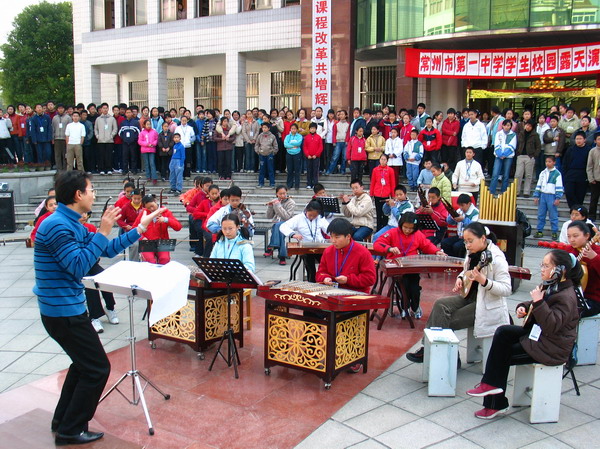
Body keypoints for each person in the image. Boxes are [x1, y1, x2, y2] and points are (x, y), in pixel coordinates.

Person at [33, 171, 163, 445]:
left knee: (83, 366)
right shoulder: (57, 225)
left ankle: (63, 420)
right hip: (62, 311)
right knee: (96, 369)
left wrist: (140, 227)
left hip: (67, 309)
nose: (93, 194)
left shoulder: (72, 223)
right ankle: (71, 430)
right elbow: (80, 266)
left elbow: (107, 249)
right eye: (91, 189)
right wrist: (103, 231)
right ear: (78, 195)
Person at [466, 249, 580, 419]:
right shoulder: (552, 285)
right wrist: (525, 306)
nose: (541, 268)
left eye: (546, 266)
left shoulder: (566, 297)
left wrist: (538, 302)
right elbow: (537, 303)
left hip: (551, 348)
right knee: (503, 332)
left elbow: (552, 325)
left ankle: (495, 401)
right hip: (540, 338)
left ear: (560, 270)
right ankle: (490, 387)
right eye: (542, 264)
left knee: (502, 354)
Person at [406, 222, 511, 364]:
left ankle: (446, 359)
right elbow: (465, 270)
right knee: (440, 304)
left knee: (446, 320)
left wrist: (484, 281)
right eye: (465, 242)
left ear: (483, 239)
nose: (467, 245)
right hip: (469, 296)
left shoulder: (497, 259)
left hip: (486, 303)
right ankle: (432, 350)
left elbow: (506, 289)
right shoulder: (472, 253)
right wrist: (461, 278)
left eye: (470, 241)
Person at [374, 212, 445, 318]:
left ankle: (415, 307)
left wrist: (436, 251)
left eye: (411, 228)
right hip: (397, 268)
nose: (407, 230)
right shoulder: (393, 232)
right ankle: (404, 307)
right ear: (401, 224)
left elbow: (427, 245)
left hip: (412, 267)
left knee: (415, 288)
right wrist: (389, 249)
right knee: (404, 286)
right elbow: (377, 243)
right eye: (405, 227)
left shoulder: (418, 235)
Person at [79, 211, 119, 334]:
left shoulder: (90, 228)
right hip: (80, 264)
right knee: (91, 284)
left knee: (105, 278)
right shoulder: (71, 229)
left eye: (85, 213)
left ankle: (110, 307)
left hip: (92, 262)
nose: (84, 216)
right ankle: (94, 317)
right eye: (81, 213)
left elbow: (99, 246)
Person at [316, 217, 377, 294]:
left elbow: (370, 278)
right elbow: (320, 273)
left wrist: (348, 279)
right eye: (331, 236)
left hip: (356, 294)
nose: (333, 240)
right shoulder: (328, 251)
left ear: (348, 236)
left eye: (337, 237)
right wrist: (325, 278)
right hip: (332, 292)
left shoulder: (362, 252)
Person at [280, 200, 330, 282]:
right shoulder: (299, 218)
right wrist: (293, 234)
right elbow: (283, 226)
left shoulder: (320, 219)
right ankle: (311, 282)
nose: (312, 217)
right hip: (306, 247)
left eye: (315, 216)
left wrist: (333, 236)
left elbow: (328, 229)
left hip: (319, 245)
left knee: (325, 265)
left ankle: (324, 280)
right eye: (310, 215)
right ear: (306, 211)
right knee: (310, 267)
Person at [134, 194, 182, 264]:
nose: (151, 209)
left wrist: (166, 219)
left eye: (152, 206)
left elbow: (178, 227)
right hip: (147, 242)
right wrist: (142, 237)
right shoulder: (143, 213)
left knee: (165, 259)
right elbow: (134, 229)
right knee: (150, 261)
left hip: (162, 241)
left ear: (155, 201)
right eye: (148, 208)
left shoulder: (165, 212)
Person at [565, 221, 600, 317]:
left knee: (566, 313)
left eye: (575, 236)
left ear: (587, 235)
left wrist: (595, 258)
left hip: (592, 299)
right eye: (569, 236)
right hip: (568, 295)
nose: (571, 239)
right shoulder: (568, 250)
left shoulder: (597, 251)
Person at [534, 155, 563, 241]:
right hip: (543, 195)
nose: (547, 163)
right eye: (546, 162)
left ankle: (554, 232)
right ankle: (539, 230)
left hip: (552, 196)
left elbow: (559, 186)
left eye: (550, 162)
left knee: (553, 215)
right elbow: (539, 184)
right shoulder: (543, 173)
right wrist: (536, 195)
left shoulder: (557, 174)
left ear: (554, 162)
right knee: (541, 214)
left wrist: (558, 198)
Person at [265, 185, 296, 265]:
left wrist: (278, 206)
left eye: (284, 193)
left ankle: (271, 247)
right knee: (278, 228)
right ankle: (282, 256)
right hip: (277, 225)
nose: (282, 195)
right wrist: (270, 206)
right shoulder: (275, 201)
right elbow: (269, 216)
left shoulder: (291, 202)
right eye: (280, 194)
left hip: (288, 224)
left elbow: (286, 217)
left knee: (278, 226)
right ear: (276, 194)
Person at [563, 131, 592, 208]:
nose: (578, 140)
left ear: (584, 139)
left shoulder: (588, 150)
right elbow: (565, 163)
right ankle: (574, 209)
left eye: (580, 139)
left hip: (582, 174)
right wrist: (565, 175)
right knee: (569, 192)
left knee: (580, 195)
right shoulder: (570, 149)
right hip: (570, 174)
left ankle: (578, 211)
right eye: (577, 139)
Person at [514, 119, 541, 198]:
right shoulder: (521, 133)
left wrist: (534, 155)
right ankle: (516, 191)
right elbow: (518, 144)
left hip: (530, 156)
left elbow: (538, 147)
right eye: (527, 125)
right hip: (520, 155)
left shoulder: (535, 135)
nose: (528, 127)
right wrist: (517, 153)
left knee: (528, 175)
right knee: (518, 174)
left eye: (529, 125)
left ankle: (526, 191)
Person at [489, 119, 517, 195]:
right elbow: (496, 144)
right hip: (498, 156)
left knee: (506, 174)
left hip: (508, 157)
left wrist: (505, 154)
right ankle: (491, 191)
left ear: (511, 126)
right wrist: (500, 154)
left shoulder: (513, 134)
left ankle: (503, 192)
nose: (507, 127)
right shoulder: (498, 134)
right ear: (503, 126)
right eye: (505, 125)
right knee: (495, 174)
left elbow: (512, 146)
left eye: (509, 125)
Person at [370, 154, 396, 231]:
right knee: (378, 213)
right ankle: (378, 229)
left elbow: (392, 183)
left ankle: (384, 229)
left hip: (386, 194)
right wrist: (371, 193)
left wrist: (393, 195)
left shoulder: (390, 170)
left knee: (385, 213)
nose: (383, 161)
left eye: (384, 159)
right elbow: (373, 182)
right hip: (377, 193)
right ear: (379, 160)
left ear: (387, 161)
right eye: (381, 159)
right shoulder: (375, 170)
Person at [255, 121, 278, 188]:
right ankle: (261, 183)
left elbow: (275, 146)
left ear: (268, 128)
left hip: (270, 155)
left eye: (265, 127)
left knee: (270, 169)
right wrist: (258, 151)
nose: (264, 129)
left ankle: (272, 183)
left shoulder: (272, 136)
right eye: (263, 127)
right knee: (262, 170)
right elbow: (257, 144)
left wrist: (273, 152)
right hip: (262, 155)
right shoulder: (260, 136)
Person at [117, 107, 139, 175]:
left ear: (132, 113)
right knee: (125, 156)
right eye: (127, 112)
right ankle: (125, 169)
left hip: (133, 142)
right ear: (125, 114)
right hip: (125, 143)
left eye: (130, 112)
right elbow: (120, 132)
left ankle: (134, 169)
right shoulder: (123, 123)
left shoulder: (135, 122)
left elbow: (139, 132)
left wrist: (134, 138)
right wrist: (124, 138)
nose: (128, 114)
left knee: (133, 156)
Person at [52, 104, 72, 171]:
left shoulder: (68, 118)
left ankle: (65, 169)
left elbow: (70, 129)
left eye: (62, 108)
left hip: (65, 138)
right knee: (57, 155)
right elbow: (53, 128)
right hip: (57, 138)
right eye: (59, 108)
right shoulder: (55, 118)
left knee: (65, 155)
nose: (60, 110)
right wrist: (53, 138)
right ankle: (59, 169)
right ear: (57, 109)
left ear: (64, 109)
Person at [138, 119, 159, 184]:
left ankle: (154, 177)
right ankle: (148, 176)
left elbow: (156, 139)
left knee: (152, 163)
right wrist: (147, 144)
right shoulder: (142, 132)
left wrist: (153, 144)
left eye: (149, 124)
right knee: (146, 164)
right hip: (144, 150)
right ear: (144, 125)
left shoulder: (154, 132)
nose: (148, 125)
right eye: (147, 124)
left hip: (152, 149)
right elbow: (139, 141)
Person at [304, 122, 324, 190]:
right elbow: (305, 147)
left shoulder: (318, 137)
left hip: (316, 157)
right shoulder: (307, 137)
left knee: (315, 171)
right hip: (308, 157)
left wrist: (316, 154)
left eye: (314, 128)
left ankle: (315, 184)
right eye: (311, 128)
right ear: (309, 129)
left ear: (316, 129)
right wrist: (307, 154)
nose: (312, 130)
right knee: (309, 170)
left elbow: (320, 147)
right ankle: (309, 184)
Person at [284, 123, 303, 192]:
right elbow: (285, 144)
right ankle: (289, 184)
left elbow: (298, 143)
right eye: (292, 129)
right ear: (290, 129)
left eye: (295, 129)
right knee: (290, 170)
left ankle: (297, 185)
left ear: (297, 129)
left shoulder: (299, 136)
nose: (293, 130)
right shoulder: (287, 136)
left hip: (297, 154)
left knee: (297, 170)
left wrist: (290, 144)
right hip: (289, 154)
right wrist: (293, 146)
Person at [587, 133, 600, 221]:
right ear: (595, 141)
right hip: (595, 179)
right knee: (594, 199)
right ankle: (592, 216)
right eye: (599, 139)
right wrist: (591, 178)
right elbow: (589, 166)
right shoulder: (592, 151)